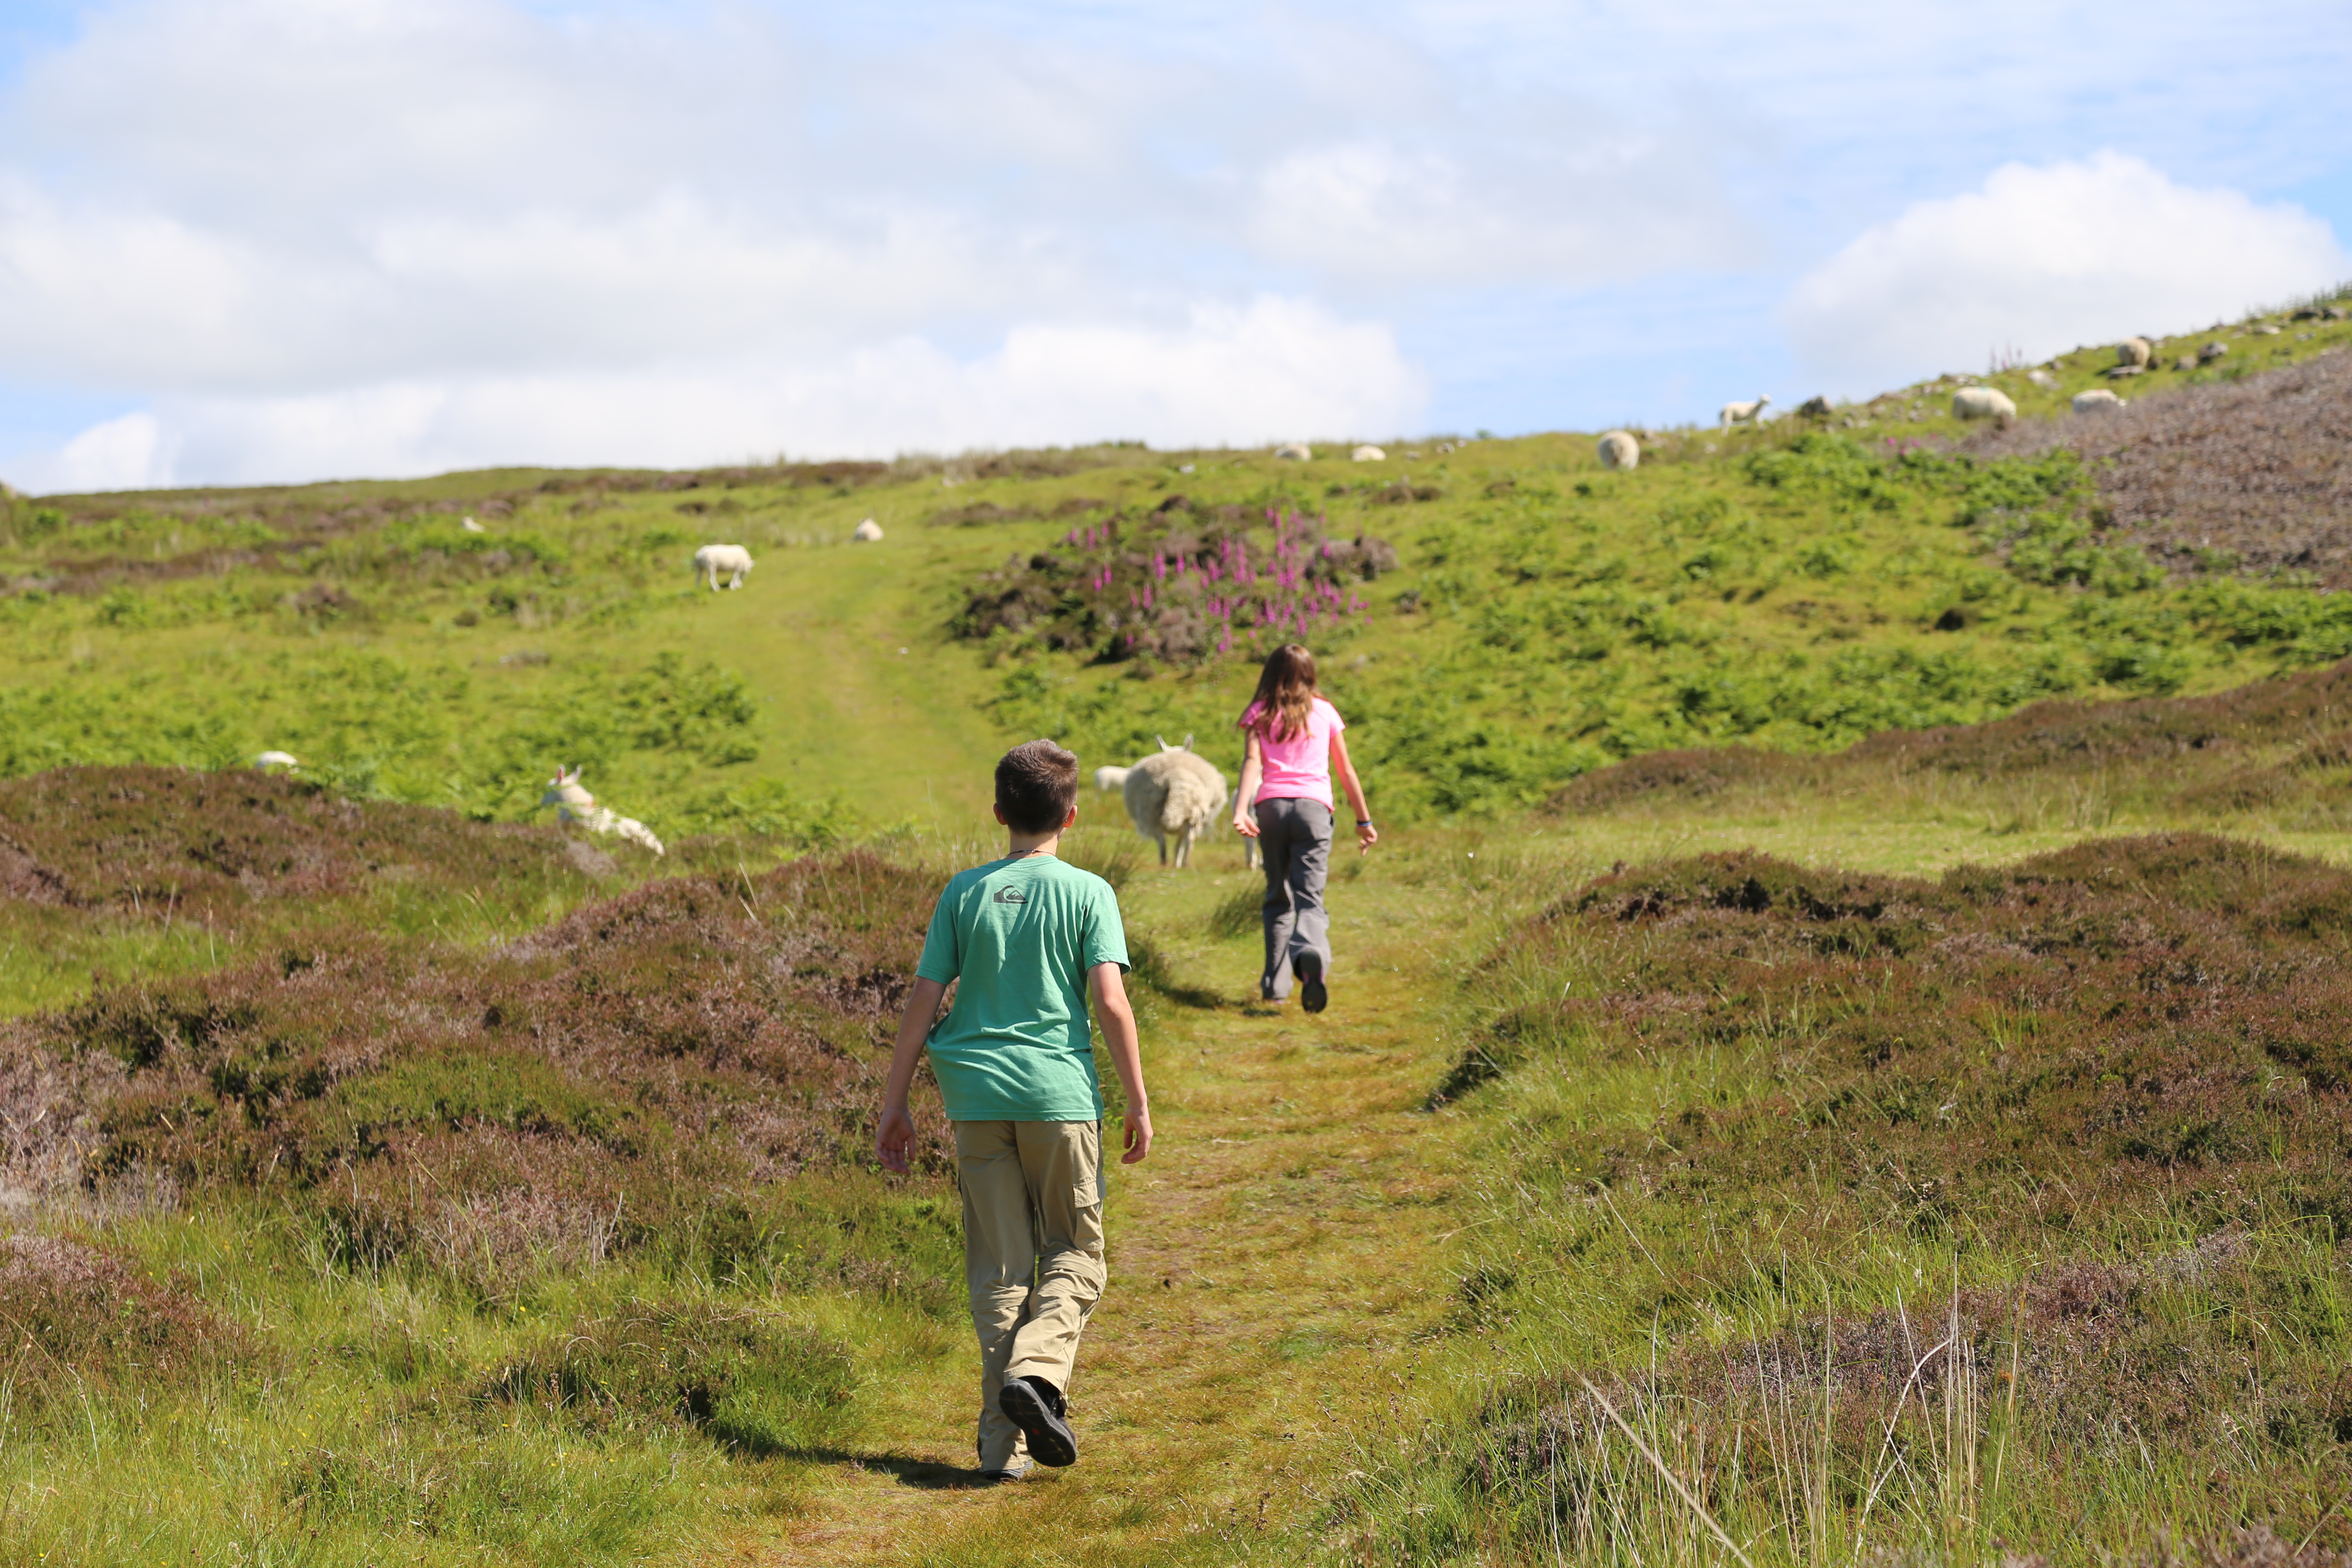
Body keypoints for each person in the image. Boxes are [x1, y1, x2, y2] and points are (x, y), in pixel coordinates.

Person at [875, 739, 1153, 1484]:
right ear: (1072, 812)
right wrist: (1135, 1096)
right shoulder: (1089, 891)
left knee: (999, 1270)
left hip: (974, 1099)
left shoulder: (962, 892)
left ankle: (1003, 1449)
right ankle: (1036, 1372)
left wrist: (894, 1101)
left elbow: (923, 1002)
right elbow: (1111, 1002)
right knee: (1075, 1253)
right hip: (1057, 1095)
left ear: (999, 812)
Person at [1231, 643, 1376, 1012]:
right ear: (1310, 673)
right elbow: (1345, 770)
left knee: (1278, 897)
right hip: (1314, 808)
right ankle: (1310, 953)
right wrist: (1364, 821)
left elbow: (1252, 762)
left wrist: (1240, 809)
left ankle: (1276, 987)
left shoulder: (1260, 712)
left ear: (1270, 672)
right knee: (1310, 898)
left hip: (1271, 808)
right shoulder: (1325, 712)